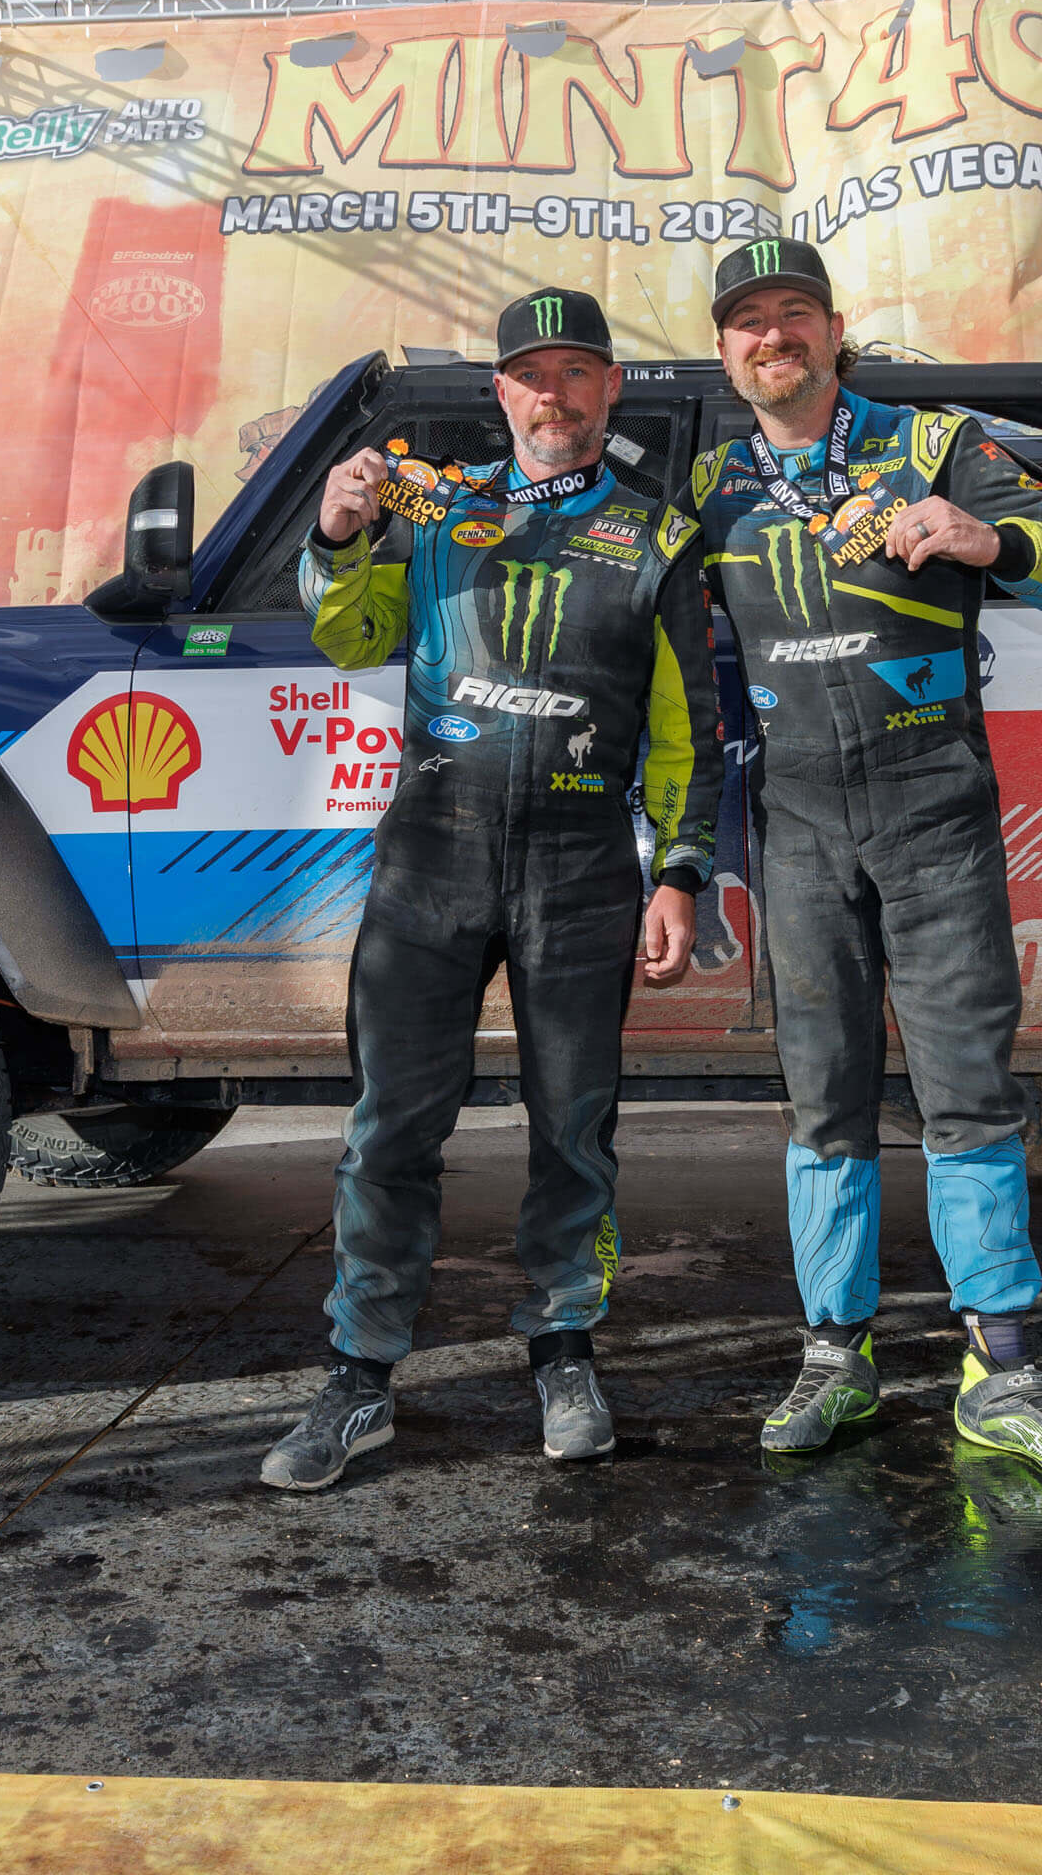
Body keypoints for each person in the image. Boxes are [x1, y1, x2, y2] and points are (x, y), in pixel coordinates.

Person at [687, 236, 1042, 1491]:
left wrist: (987, 540)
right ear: (726, 351)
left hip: (933, 813)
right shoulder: (712, 484)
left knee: (966, 1094)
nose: (770, 336)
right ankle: (836, 1356)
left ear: (834, 331)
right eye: (746, 322)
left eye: (792, 315)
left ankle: (1005, 1373)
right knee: (823, 1101)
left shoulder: (932, 447)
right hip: (797, 827)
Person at [258, 288, 723, 1492]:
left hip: (580, 869)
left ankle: (565, 1349)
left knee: (574, 1128)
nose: (553, 394)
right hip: (432, 859)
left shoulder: (659, 534)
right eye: (530, 374)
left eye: (577, 372)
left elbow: (686, 730)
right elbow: (350, 640)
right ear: (501, 393)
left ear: (609, 388)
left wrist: (680, 869)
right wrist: (339, 530)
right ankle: (361, 1374)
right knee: (390, 1129)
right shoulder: (441, 512)